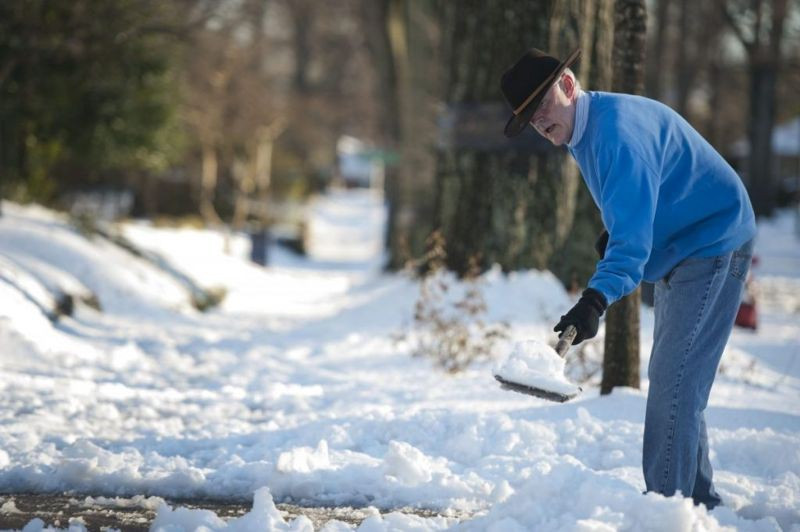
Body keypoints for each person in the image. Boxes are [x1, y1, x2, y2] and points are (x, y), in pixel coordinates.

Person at [500, 47, 756, 510]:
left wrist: (596, 299)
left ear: (570, 85)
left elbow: (632, 247)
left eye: (542, 105)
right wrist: (618, 230)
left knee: (675, 381)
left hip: (714, 239)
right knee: (678, 380)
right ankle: (695, 505)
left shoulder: (614, 134)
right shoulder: (587, 129)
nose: (539, 120)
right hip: (686, 241)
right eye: (529, 117)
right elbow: (645, 194)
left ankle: (666, 509)